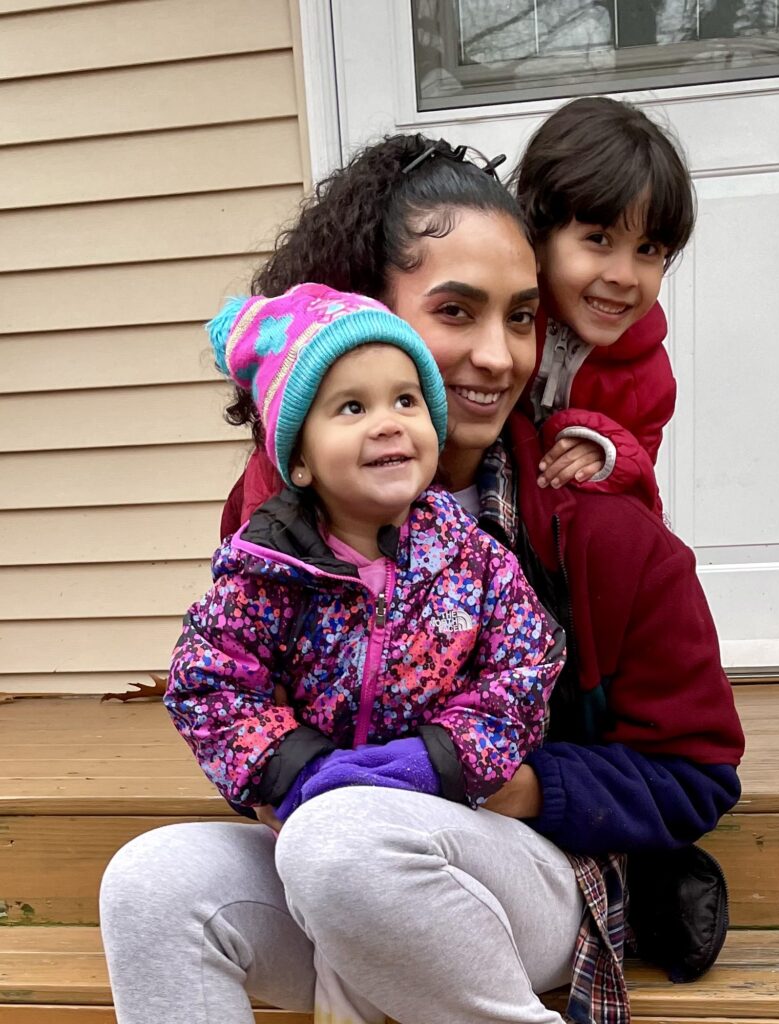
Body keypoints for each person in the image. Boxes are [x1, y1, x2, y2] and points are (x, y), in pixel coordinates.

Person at [100, 132, 744, 1024]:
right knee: (150, 881)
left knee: (344, 840)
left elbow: (696, 776)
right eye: (455, 312)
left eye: (520, 317)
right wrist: (285, 775)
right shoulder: (278, 532)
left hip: (529, 867)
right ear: (360, 321)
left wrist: (502, 780)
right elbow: (228, 693)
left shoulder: (599, 527)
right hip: (335, 856)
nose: (497, 356)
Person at [166, 282, 562, 830]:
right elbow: (208, 683)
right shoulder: (263, 574)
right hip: (316, 812)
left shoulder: (477, 561)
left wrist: (438, 760)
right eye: (352, 406)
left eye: (406, 400)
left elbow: (524, 670)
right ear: (299, 461)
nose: (387, 422)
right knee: (148, 874)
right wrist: (294, 771)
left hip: (448, 818)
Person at [514, 96, 695, 516]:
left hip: (577, 538)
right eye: (599, 239)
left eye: (647, 249)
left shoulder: (649, 380)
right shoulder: (501, 326)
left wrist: (609, 453)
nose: (624, 276)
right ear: (538, 235)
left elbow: (640, 479)